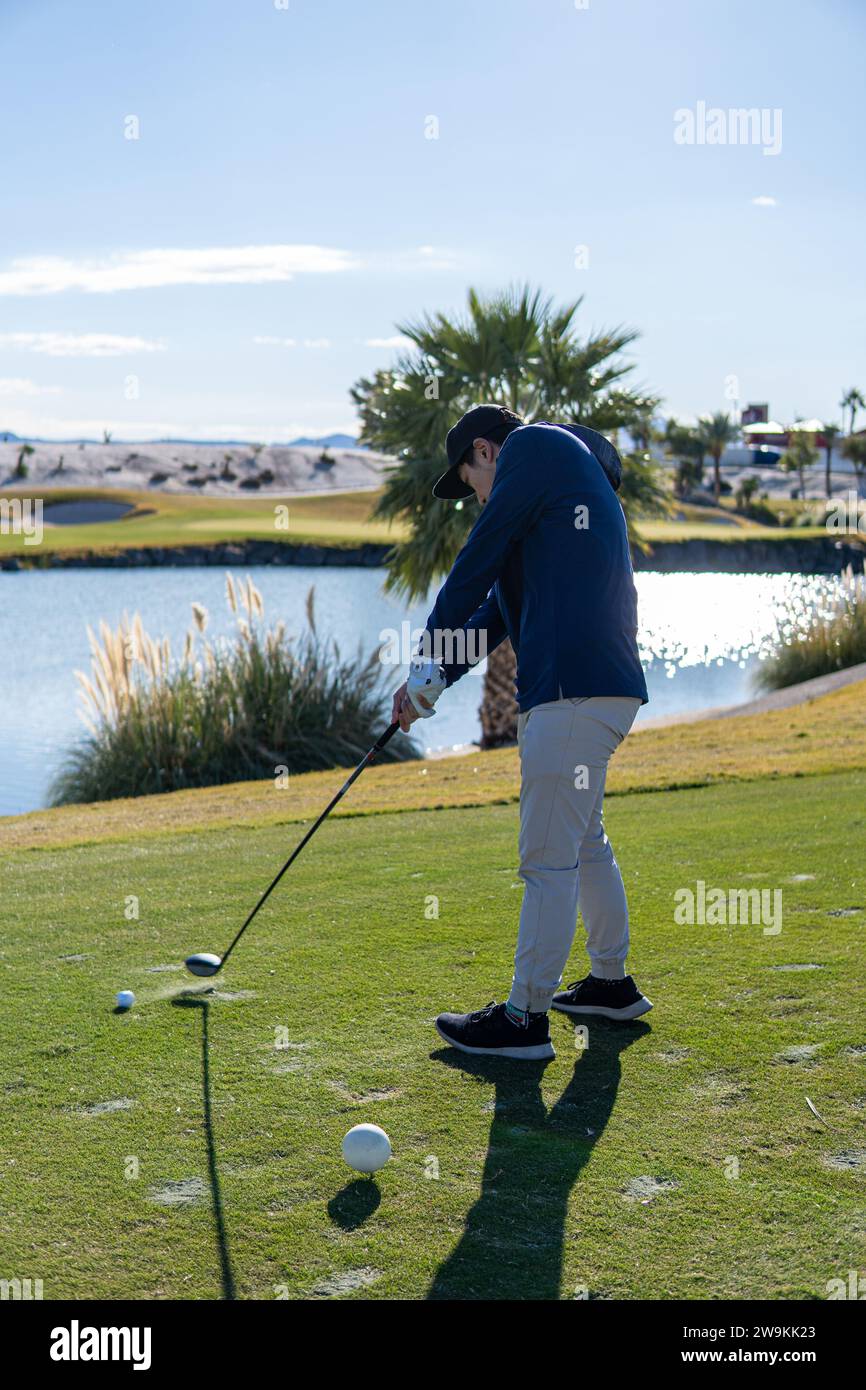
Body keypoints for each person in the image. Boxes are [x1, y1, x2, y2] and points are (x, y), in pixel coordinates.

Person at [390, 404, 652, 1060]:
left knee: (546, 860)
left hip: (569, 692)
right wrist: (433, 683)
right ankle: (610, 987)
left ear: (486, 450)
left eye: (469, 480)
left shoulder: (533, 448)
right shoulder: (550, 506)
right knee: (584, 839)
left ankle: (523, 1019)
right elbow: (491, 618)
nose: (475, 497)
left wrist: (421, 658)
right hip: (602, 691)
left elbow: (474, 561)